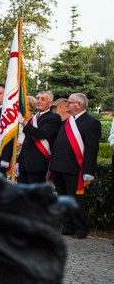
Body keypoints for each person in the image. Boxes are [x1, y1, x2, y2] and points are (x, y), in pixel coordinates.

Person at [49, 93, 101, 239]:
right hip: (59, 167)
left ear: (78, 105)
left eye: (69, 103)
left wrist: (88, 171)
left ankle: (80, 228)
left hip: (75, 169)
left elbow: (91, 149)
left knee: (76, 200)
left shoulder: (91, 123)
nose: (66, 106)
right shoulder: (67, 121)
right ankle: (68, 226)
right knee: (63, 198)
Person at [18, 91, 61, 184]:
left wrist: (23, 122)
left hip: (38, 165)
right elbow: (27, 141)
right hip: (24, 164)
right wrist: (19, 162)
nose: (39, 101)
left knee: (35, 197)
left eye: (43, 99)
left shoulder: (54, 117)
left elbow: (42, 133)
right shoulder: (33, 118)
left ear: (50, 103)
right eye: (37, 98)